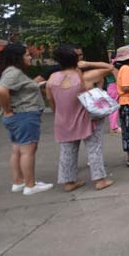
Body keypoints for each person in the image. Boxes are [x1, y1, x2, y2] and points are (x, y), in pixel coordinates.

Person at [46, 45, 115, 191]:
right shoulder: (83, 77)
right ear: (76, 59)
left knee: (67, 152)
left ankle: (68, 182)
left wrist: (58, 114)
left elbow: (50, 99)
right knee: (94, 149)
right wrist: (89, 63)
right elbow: (109, 67)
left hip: (63, 120)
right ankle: (99, 180)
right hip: (86, 119)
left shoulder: (52, 78)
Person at [0, 44, 53, 196]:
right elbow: (0, 91)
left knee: (17, 150)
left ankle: (19, 181)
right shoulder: (13, 72)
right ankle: (30, 185)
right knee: (28, 151)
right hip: (24, 116)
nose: (30, 57)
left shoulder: (10, 71)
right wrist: (7, 110)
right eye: (27, 55)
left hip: (18, 117)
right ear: (17, 57)